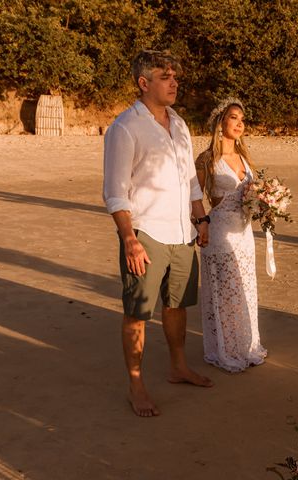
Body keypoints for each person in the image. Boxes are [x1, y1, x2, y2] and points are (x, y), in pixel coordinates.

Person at [103, 50, 213, 418]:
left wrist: (201, 220)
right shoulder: (125, 127)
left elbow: (191, 180)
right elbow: (115, 191)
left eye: (175, 75)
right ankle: (136, 383)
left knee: (177, 304)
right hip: (146, 232)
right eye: (165, 76)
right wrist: (129, 239)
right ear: (143, 83)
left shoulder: (180, 123)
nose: (174, 81)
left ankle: (178, 367)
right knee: (137, 311)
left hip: (182, 231)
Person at [194, 98, 267, 372]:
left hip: (245, 233)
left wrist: (266, 204)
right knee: (225, 291)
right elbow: (194, 197)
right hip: (220, 232)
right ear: (221, 122)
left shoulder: (244, 157)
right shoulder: (206, 159)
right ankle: (226, 349)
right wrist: (200, 224)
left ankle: (247, 344)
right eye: (234, 117)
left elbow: (253, 192)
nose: (240, 123)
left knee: (245, 288)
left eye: (242, 119)